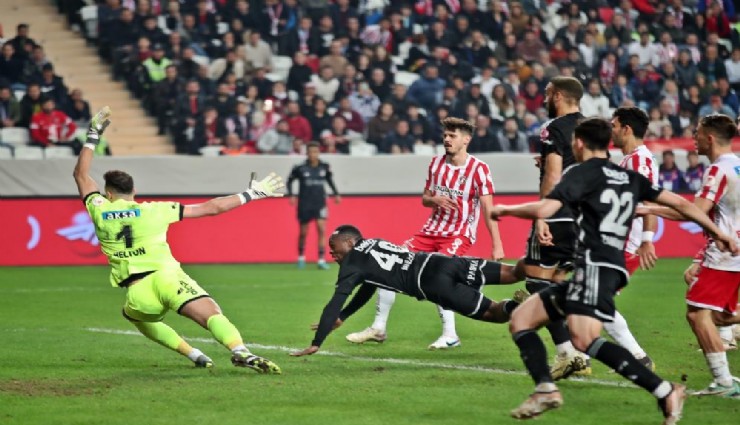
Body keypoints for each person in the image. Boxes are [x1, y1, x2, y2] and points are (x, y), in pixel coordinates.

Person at [491, 117, 738, 421]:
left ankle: (662, 390)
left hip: (594, 266)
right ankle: (547, 388)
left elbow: (545, 209)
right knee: (522, 319)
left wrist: (504, 209)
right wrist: (720, 232)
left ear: (579, 143)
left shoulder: (579, 173)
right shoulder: (627, 177)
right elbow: (683, 204)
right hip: (604, 268)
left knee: (583, 339)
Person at [72, 107, 283, 373]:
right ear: (134, 191)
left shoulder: (99, 208)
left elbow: (80, 175)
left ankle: (193, 354)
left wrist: (92, 136)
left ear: (109, 194)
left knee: (133, 315)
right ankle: (240, 351)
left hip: (138, 290)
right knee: (211, 315)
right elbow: (212, 208)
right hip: (168, 277)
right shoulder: (157, 209)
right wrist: (252, 194)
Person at [345, 117, 506, 349]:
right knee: (388, 265)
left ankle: (450, 335)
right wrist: (435, 200)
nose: (447, 139)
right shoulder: (436, 164)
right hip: (429, 232)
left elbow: (488, 208)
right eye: (445, 135)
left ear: (466, 140)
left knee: (440, 277)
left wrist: (497, 244)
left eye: (453, 136)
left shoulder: (479, 170)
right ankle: (378, 328)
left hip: (458, 234)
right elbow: (425, 199)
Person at [290, 225, 526, 357]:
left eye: (335, 248)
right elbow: (370, 286)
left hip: (433, 284)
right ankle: (549, 268)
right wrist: (343, 316)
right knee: (514, 272)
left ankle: (520, 306)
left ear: (350, 243)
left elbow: (335, 300)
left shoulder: (352, 264)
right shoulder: (375, 241)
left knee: (493, 313)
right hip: (442, 261)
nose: (332, 254)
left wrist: (317, 340)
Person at [639, 114, 740, 398]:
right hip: (734, 250)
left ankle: (723, 382)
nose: (692, 137)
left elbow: (694, 211)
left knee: (697, 314)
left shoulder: (718, 170)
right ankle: (723, 382)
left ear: (709, 137)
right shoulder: (738, 164)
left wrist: (650, 209)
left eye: (696, 132)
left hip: (725, 253)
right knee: (720, 317)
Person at [520, 76, 589, 379]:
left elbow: (553, 175)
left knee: (537, 284)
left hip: (559, 214)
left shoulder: (553, 128)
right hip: (586, 218)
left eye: (547, 94)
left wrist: (540, 216)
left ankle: (568, 353)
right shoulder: (590, 127)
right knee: (562, 283)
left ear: (558, 96)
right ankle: (582, 352)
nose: (544, 100)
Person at [609, 106, 659, 370]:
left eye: (614, 125)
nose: (611, 130)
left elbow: (649, 199)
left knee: (596, 301)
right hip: (615, 243)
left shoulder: (640, 160)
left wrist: (647, 239)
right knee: (592, 299)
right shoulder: (629, 160)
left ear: (626, 129)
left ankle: (638, 357)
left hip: (625, 246)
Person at [287, 142, 341, 270]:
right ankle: (301, 257)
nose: (313, 154)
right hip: (305, 203)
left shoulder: (324, 167)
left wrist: (336, 194)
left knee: (321, 229)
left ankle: (321, 260)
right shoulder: (300, 168)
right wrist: (292, 195)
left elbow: (329, 180)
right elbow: (289, 181)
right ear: (307, 153)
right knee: (303, 232)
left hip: (320, 203)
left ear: (318, 153)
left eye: (315, 152)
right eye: (311, 152)